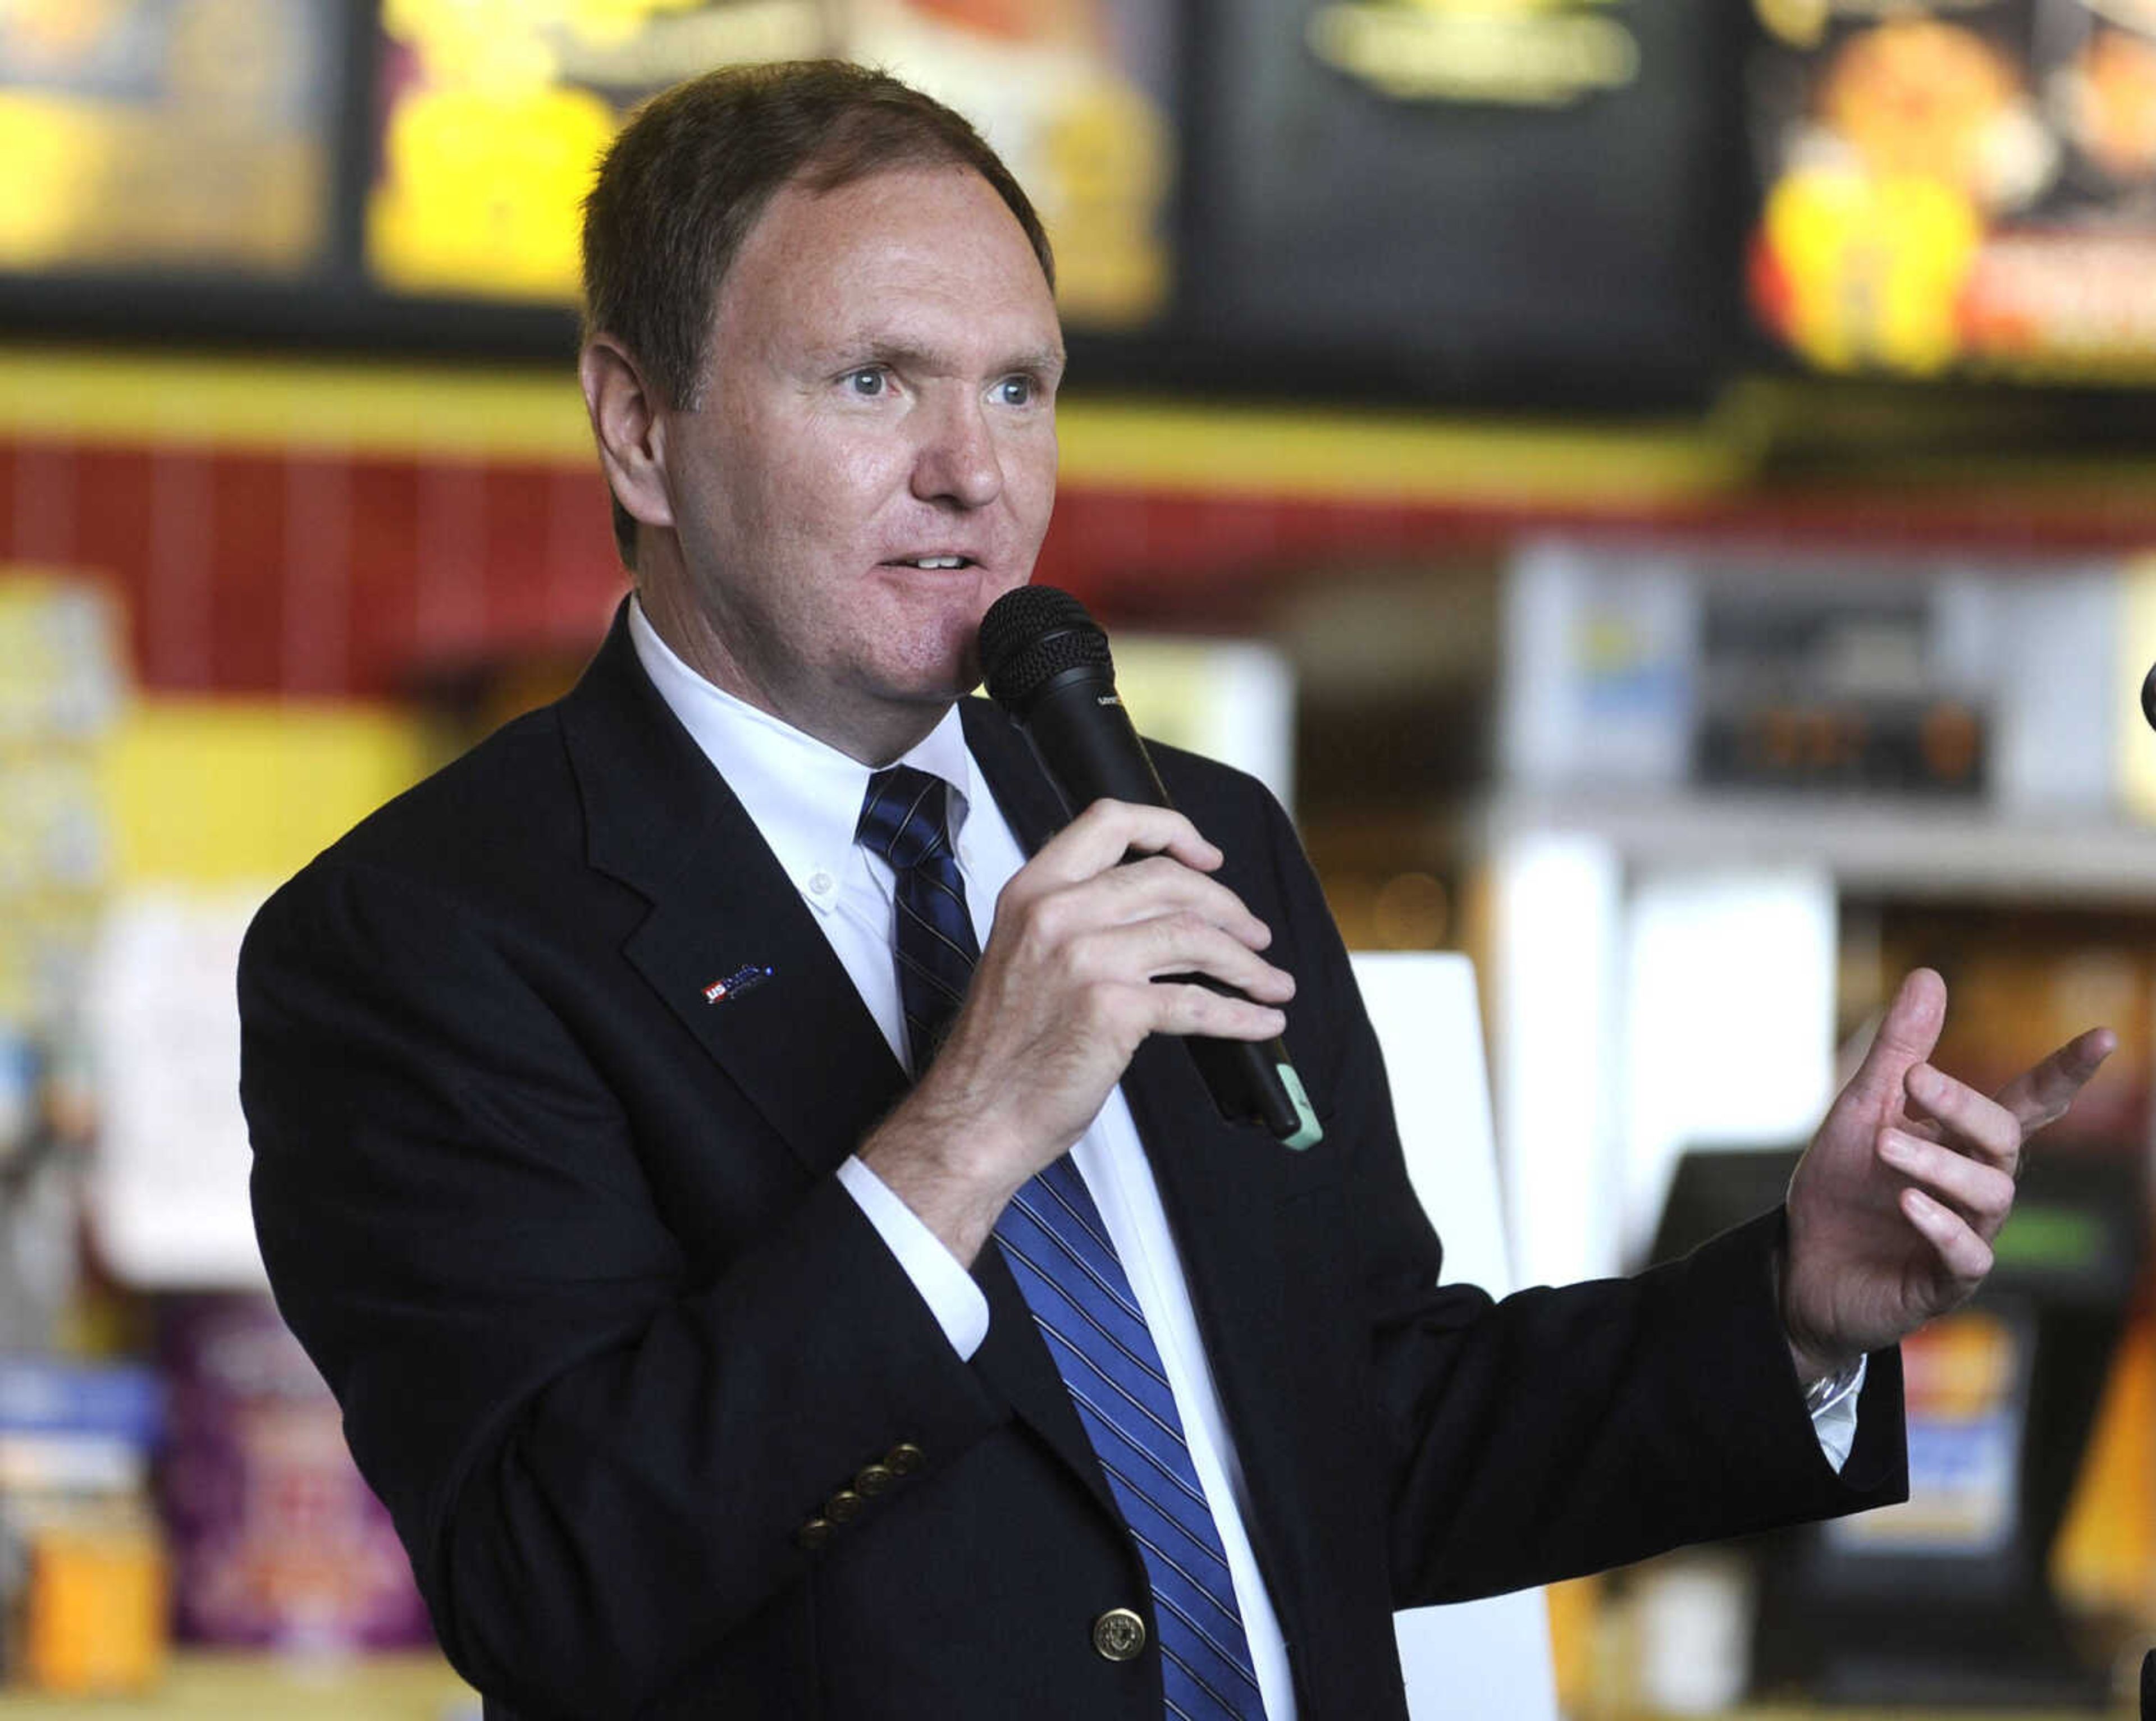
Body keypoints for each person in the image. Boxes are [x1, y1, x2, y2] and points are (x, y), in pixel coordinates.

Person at [238, 60, 2113, 1721]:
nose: (971, 471)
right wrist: (965, 1129)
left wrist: (1797, 1303)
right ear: (639, 427)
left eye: (1023, 389)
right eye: (874, 379)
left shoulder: (1191, 829)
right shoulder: (423, 939)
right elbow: (557, 1579)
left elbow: (1372, 1434)